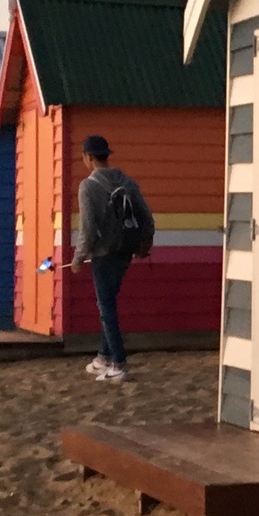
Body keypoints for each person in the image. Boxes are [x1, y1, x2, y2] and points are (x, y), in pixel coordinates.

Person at [73, 133, 155, 382]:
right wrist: (144, 244)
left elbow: (87, 228)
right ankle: (102, 358)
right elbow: (147, 218)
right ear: (107, 156)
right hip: (125, 251)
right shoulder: (127, 181)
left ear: (88, 157)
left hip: (103, 254)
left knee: (106, 307)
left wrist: (78, 257)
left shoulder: (88, 186)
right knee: (106, 303)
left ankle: (118, 363)